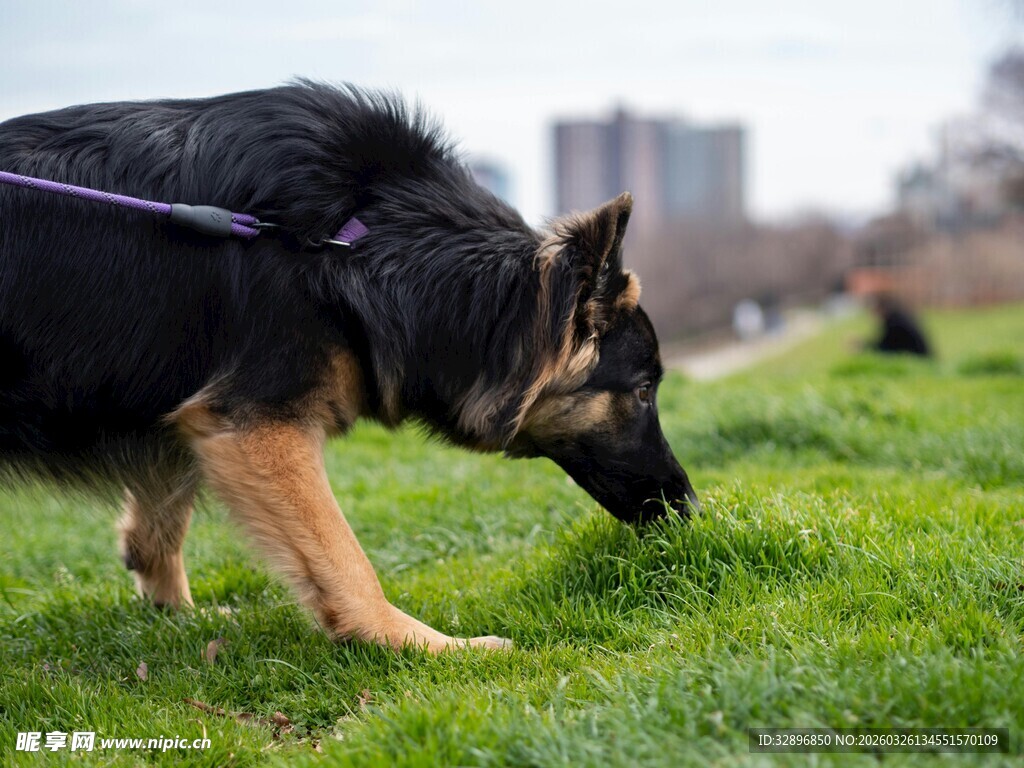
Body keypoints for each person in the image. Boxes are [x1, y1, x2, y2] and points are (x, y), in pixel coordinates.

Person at [867, 293, 932, 357]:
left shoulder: (895, 323)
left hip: (919, 356)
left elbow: (886, 346)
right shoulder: (897, 317)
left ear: (881, 309)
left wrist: (866, 345)